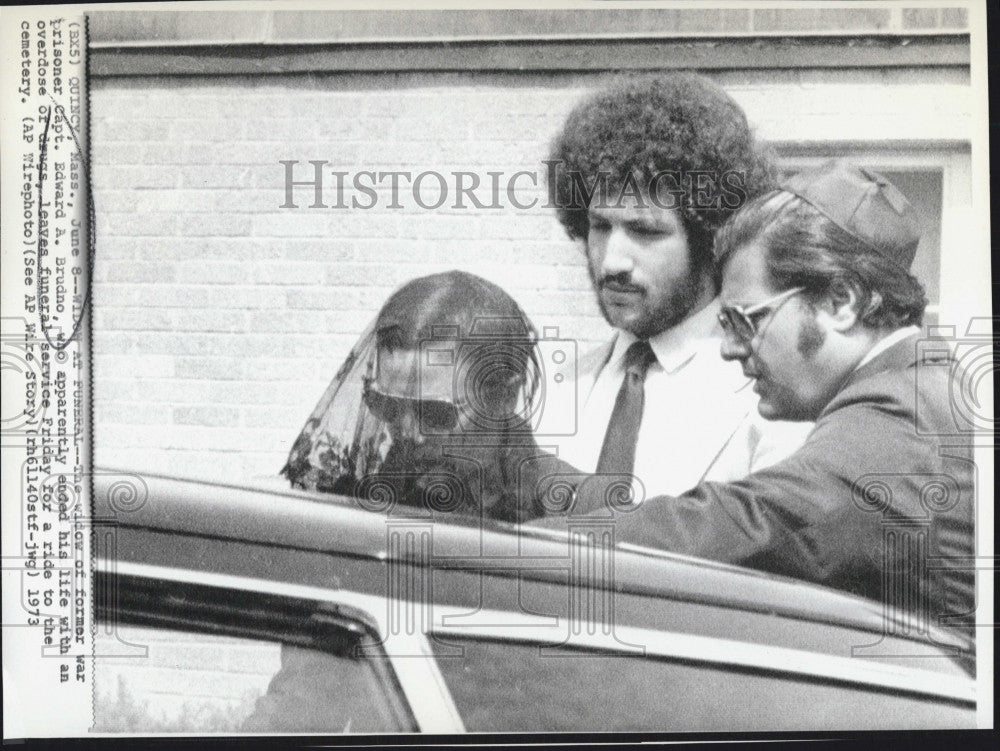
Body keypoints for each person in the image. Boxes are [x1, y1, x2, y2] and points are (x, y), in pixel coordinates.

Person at [536, 160, 975, 633]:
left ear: (841, 302)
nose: (730, 348)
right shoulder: (913, 389)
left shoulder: (903, 420)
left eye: (748, 320)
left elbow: (746, 524)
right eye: (725, 323)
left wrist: (505, 545)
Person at [544, 73, 811, 501]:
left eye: (645, 232)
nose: (612, 261)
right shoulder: (552, 390)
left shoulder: (774, 401)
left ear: (710, 237)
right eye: (599, 226)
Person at [282, 269, 571, 524]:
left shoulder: (565, 508)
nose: (407, 433)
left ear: (504, 397)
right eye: (387, 405)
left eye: (434, 412)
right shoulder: (361, 496)